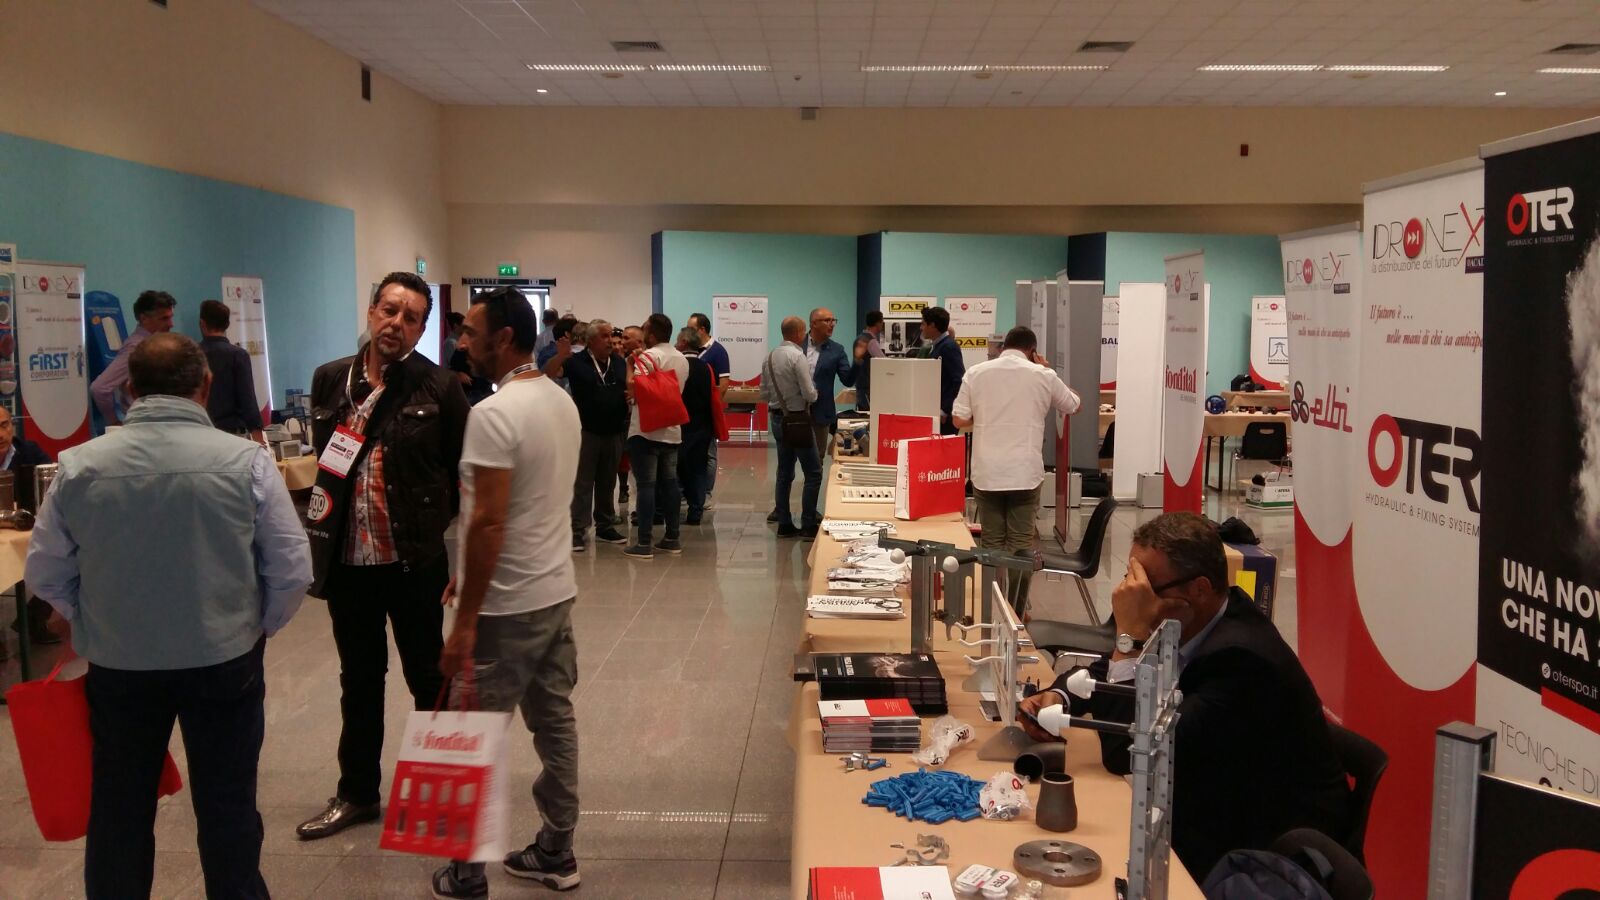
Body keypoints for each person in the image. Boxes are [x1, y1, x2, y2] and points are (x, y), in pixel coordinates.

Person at [25, 332, 312, 899]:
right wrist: (259, 624)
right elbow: (291, 567)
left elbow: (46, 571)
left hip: (120, 666)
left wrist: (87, 617)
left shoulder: (79, 466)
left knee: (120, 806)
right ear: (205, 386)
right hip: (224, 661)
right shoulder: (247, 462)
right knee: (228, 803)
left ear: (130, 390)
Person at [1018, 512, 1351, 880]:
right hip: (1210, 800)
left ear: (1199, 589)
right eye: (1130, 580)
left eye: (1145, 587)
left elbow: (1128, 753)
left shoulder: (1240, 661)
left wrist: (1129, 638)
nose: (1131, 596)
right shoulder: (1195, 619)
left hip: (1266, 858)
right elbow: (1104, 673)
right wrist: (1059, 698)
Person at [296, 272, 470, 841]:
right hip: (347, 562)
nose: (397, 323)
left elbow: (462, 472)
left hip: (413, 561)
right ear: (372, 311)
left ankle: (441, 796)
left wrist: (446, 541)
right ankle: (357, 794)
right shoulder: (330, 379)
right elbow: (326, 461)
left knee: (428, 676)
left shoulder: (439, 387)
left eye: (411, 317)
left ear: (421, 330)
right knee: (359, 680)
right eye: (390, 310)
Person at [430, 287, 583, 898]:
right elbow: (530, 505)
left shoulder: (493, 415)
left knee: (473, 734)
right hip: (554, 592)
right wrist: (466, 572)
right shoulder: (560, 400)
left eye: (470, 331)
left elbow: (489, 522)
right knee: (554, 723)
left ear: (505, 338)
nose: (461, 340)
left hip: (503, 606)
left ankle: (466, 872)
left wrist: (466, 621)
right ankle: (557, 849)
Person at [952, 326, 1080, 578]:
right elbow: (1073, 405)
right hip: (1024, 472)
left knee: (991, 540)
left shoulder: (976, 373)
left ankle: (990, 597)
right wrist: (1046, 369)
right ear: (1032, 351)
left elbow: (959, 419)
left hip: (987, 471)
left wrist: (987, 415)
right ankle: (1017, 601)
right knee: (1021, 544)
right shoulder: (1043, 375)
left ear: (1004, 347)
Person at [559, 318, 630, 552]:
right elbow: (549, 372)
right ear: (590, 341)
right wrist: (560, 355)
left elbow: (628, 387)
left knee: (607, 482)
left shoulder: (618, 362)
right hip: (586, 431)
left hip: (614, 431)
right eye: (604, 336)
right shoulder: (576, 362)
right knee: (582, 482)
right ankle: (577, 530)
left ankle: (605, 526)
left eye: (611, 335)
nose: (610, 340)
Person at [623, 313, 689, 560]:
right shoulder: (681, 359)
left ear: (651, 335)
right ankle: (672, 537)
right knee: (670, 484)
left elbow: (634, 387)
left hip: (646, 429)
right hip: (672, 428)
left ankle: (644, 542)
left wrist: (630, 364)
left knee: (646, 485)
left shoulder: (648, 356)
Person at [1, 405, 57, 652]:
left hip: (29, 526)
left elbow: (55, 486)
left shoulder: (29, 451)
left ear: (12, 426)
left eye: (4, 425)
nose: (0, 434)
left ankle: (33, 619)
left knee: (72, 552)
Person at [762, 316, 820, 539]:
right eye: (804, 332)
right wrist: (814, 394)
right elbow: (809, 393)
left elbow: (764, 393)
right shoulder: (797, 356)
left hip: (777, 419)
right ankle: (808, 523)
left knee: (784, 472)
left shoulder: (769, 357)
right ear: (798, 333)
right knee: (813, 473)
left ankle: (784, 523)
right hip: (798, 420)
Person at [91, 289, 176, 426]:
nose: (171, 324)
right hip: (143, 424)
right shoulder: (136, 348)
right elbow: (99, 388)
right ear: (144, 318)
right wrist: (114, 422)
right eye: (164, 318)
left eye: (171, 317)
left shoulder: (155, 345)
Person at [197, 299, 265, 443]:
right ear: (227, 324)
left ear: (202, 323)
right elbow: (247, 399)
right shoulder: (238, 355)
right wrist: (259, 439)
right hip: (233, 436)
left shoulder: (191, 355)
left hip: (201, 434)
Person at [801, 307, 860, 458]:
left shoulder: (836, 350)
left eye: (833, 320)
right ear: (814, 323)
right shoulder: (798, 345)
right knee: (789, 459)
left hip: (821, 411)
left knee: (817, 458)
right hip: (795, 409)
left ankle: (814, 474)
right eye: (827, 320)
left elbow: (847, 380)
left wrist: (857, 362)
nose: (832, 324)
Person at [687, 313, 730, 508]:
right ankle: (689, 492)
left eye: (691, 328)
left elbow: (724, 384)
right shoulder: (689, 351)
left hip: (706, 412)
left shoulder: (718, 352)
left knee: (709, 453)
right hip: (689, 413)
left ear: (702, 330)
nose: (688, 332)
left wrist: (711, 406)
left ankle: (706, 493)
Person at [675, 326, 716, 526]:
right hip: (703, 426)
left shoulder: (678, 366)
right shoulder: (706, 367)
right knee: (698, 468)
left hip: (681, 425)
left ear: (683, 343)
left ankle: (675, 508)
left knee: (678, 469)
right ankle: (696, 510)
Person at [921, 306, 966, 434]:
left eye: (923, 324)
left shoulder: (949, 347)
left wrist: (945, 410)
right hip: (936, 411)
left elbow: (958, 380)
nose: (921, 328)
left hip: (944, 418)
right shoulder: (937, 347)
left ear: (933, 325)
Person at [537, 316, 580, 391]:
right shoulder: (559, 354)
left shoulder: (546, 350)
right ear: (567, 334)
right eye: (577, 333)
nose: (579, 336)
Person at [854, 310, 886, 411]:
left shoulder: (859, 338)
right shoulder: (871, 341)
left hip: (861, 387)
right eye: (882, 322)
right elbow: (884, 362)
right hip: (868, 388)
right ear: (878, 323)